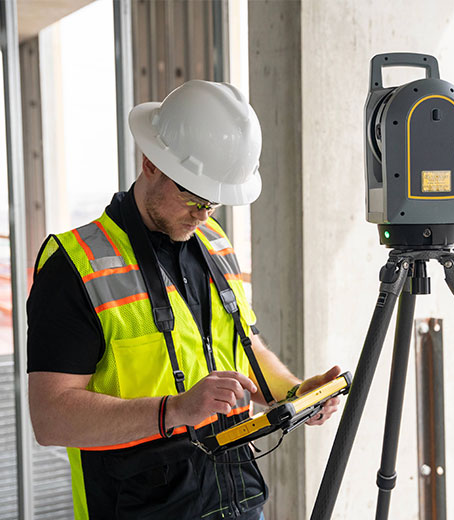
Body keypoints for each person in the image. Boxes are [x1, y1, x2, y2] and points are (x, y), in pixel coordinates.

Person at [27, 80, 341, 520]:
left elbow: (245, 346)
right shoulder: (74, 267)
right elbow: (50, 417)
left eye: (214, 202)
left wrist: (292, 393)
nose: (203, 213)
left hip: (238, 502)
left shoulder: (213, 242)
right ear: (150, 163)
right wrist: (175, 410)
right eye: (193, 196)